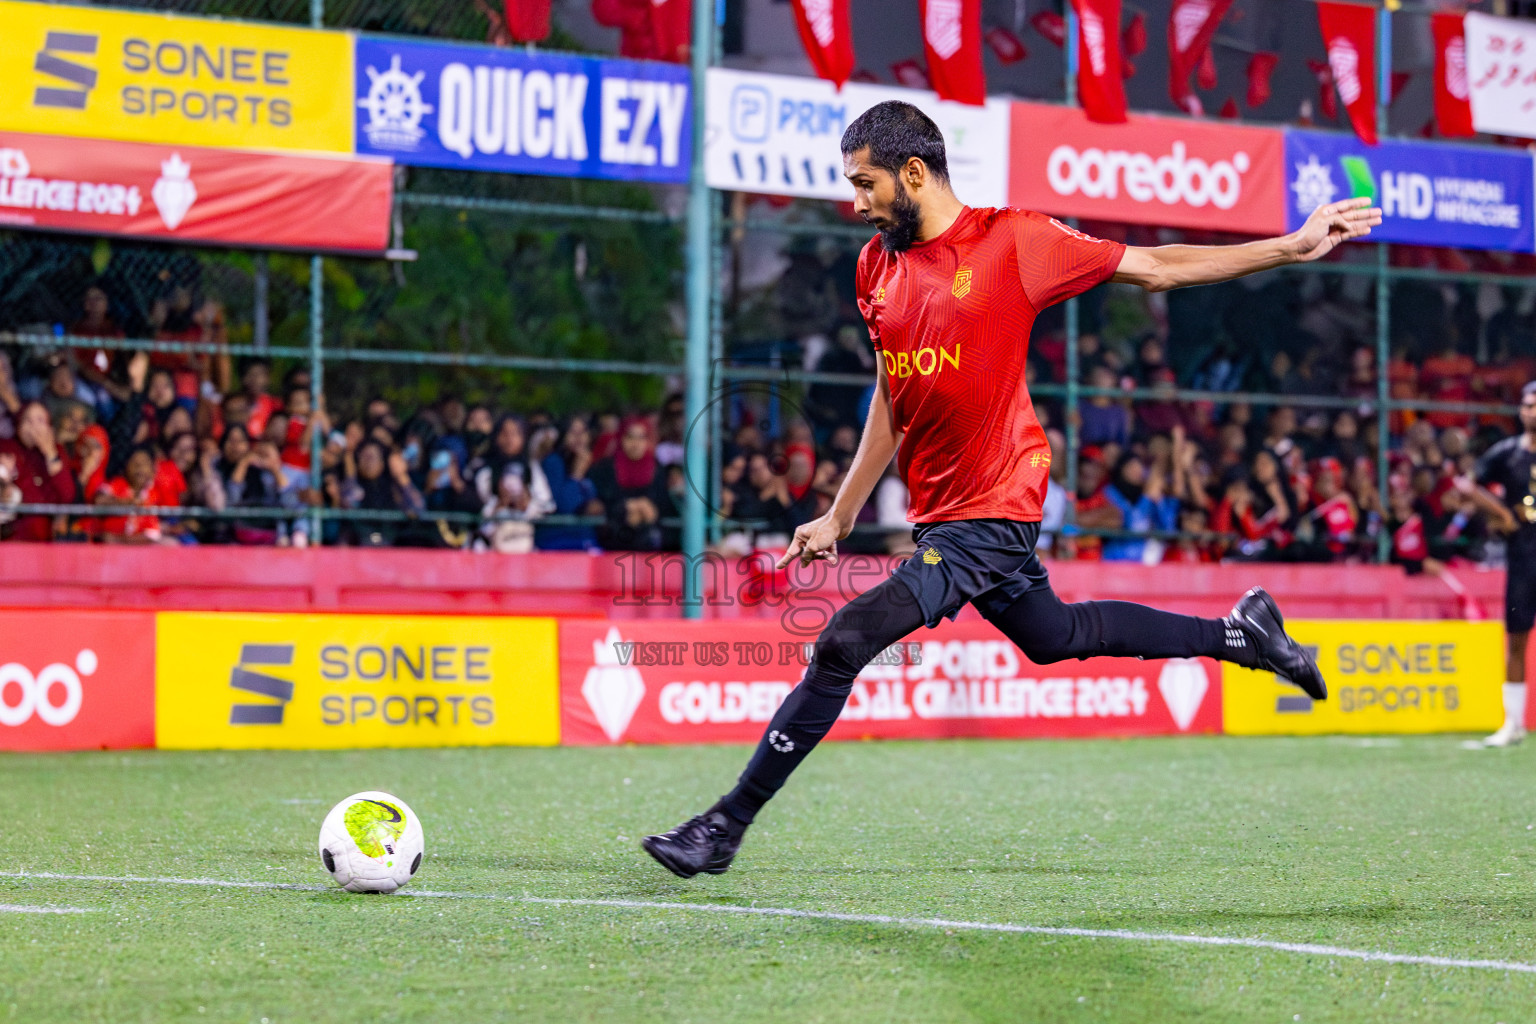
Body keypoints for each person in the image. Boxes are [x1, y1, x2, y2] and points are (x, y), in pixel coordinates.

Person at [642, 100, 1373, 878]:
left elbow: (1157, 268)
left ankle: (723, 825)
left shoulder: (1016, 241)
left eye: (865, 184)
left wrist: (1291, 248)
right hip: (944, 513)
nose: (855, 202)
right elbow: (896, 397)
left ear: (913, 174)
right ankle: (1246, 637)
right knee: (1054, 635)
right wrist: (841, 513)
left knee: (845, 640)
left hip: (998, 502)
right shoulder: (874, 268)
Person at [1462, 381, 1536, 747]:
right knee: (1517, 639)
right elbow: (1467, 483)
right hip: (1523, 555)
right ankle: (1513, 723)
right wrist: (1501, 513)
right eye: (1527, 405)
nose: (1530, 411)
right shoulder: (1507, 453)